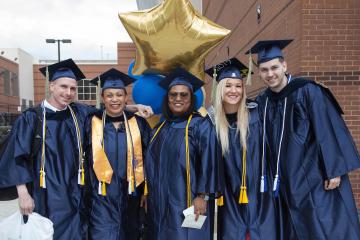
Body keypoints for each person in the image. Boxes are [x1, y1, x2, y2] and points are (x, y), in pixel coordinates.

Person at [0, 59, 153, 240]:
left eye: (73, 89)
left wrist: (134, 107)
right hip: (46, 193)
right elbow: (17, 156)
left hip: (75, 192)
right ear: (52, 86)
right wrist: (23, 194)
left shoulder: (78, 113)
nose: (68, 93)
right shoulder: (31, 118)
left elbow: (109, 110)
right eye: (63, 87)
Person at [248, 39, 360, 239]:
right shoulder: (263, 102)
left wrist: (333, 170)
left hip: (313, 176)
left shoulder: (307, 90)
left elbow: (327, 127)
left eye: (274, 67)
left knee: (321, 227)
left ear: (284, 65)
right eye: (264, 70)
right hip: (281, 182)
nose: (270, 74)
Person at [145, 67, 220, 240]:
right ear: (168, 98)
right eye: (173, 95)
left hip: (188, 202)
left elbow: (209, 162)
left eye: (183, 95)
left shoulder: (200, 125)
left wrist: (202, 196)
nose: (178, 99)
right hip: (160, 202)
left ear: (191, 98)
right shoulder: (160, 128)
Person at [205, 58, 277, 240]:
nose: (234, 91)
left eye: (238, 86)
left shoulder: (257, 113)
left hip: (258, 191)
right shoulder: (210, 121)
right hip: (227, 192)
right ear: (219, 88)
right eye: (228, 85)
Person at [84, 68, 151, 240]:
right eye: (109, 95)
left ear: (126, 97)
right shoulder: (90, 122)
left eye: (119, 95)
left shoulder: (139, 124)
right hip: (101, 197)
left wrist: (146, 191)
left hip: (132, 196)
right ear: (102, 98)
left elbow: (150, 158)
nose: (115, 99)